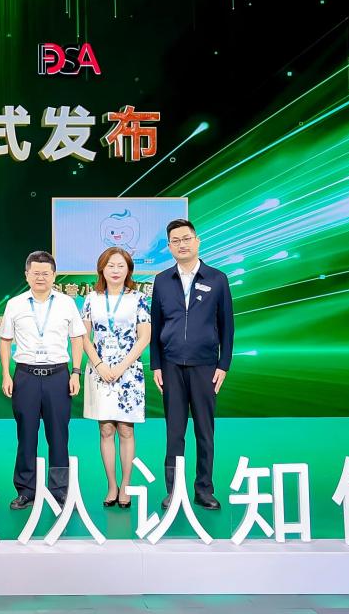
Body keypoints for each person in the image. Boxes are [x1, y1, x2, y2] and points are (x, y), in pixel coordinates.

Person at [150, 218, 234, 510]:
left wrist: (223, 364)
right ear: (169, 246)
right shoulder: (162, 280)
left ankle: (204, 489)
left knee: (204, 431)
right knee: (174, 432)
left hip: (206, 366)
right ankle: (174, 490)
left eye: (186, 239)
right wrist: (156, 365)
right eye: (175, 241)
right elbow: (156, 325)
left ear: (197, 241)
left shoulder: (217, 278)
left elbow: (227, 325)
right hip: (171, 365)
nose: (182, 244)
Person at [0, 251, 86, 509]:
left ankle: (60, 490)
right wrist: (6, 374)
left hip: (58, 376)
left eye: (45, 273)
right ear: (27, 275)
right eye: (35, 273)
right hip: (25, 376)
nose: (40, 277)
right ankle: (26, 490)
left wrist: (76, 372)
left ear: (54, 276)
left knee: (59, 435)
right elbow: (5, 340)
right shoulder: (15, 304)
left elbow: (77, 338)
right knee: (26, 435)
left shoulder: (66, 303)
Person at [81, 247, 151, 510]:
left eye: (121, 266)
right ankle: (111, 485)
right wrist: (99, 365)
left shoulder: (138, 298)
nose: (115, 270)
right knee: (106, 429)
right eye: (110, 265)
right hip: (99, 371)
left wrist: (121, 366)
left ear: (129, 270)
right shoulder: (91, 299)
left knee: (125, 429)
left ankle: (126, 485)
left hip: (128, 372)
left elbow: (144, 337)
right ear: (102, 268)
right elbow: (83, 337)